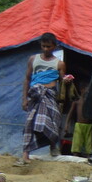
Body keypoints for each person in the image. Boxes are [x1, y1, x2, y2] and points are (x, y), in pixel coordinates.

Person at [21, 33, 65, 163]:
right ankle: (25, 154)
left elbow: (62, 82)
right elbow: (27, 79)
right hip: (35, 95)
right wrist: (24, 99)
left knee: (51, 122)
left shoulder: (59, 64)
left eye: (49, 46)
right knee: (30, 123)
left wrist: (67, 82)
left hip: (50, 95)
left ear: (54, 46)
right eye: (43, 46)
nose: (46, 49)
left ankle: (53, 146)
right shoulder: (33, 59)